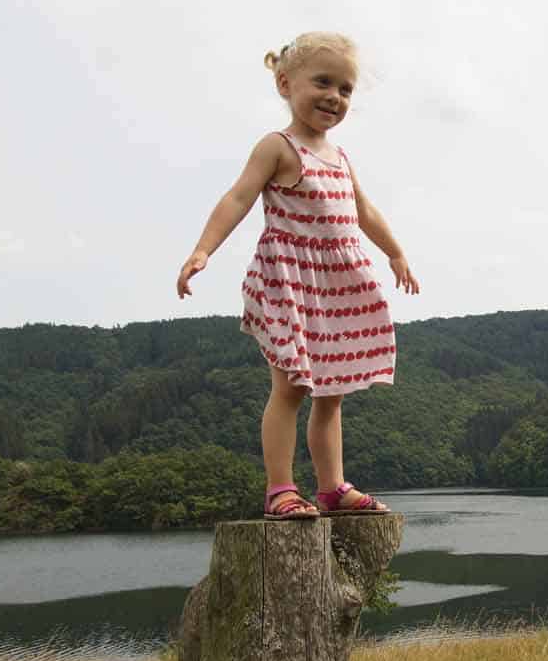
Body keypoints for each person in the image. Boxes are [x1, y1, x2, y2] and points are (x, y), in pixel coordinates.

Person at [176, 32, 420, 520]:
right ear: (286, 83)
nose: (334, 97)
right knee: (290, 389)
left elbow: (363, 210)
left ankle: (332, 487)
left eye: (345, 89)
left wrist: (394, 252)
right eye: (323, 82)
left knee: (332, 395)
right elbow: (238, 198)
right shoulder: (278, 146)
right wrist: (204, 249)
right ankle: (281, 489)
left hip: (337, 287)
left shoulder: (340, 157)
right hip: (291, 280)